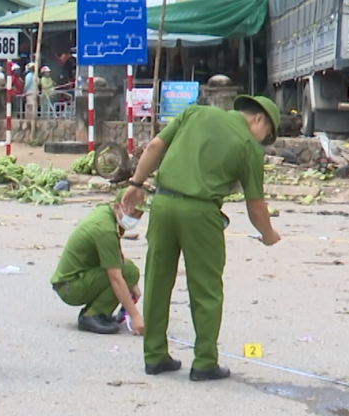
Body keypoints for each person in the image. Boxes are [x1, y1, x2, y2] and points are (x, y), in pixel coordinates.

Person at [120, 95, 283, 382]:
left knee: (157, 280)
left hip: (163, 204)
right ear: (259, 119)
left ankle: (155, 356)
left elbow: (156, 145)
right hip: (201, 214)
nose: (262, 141)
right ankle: (204, 361)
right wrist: (268, 234)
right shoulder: (249, 147)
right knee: (205, 288)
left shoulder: (194, 113)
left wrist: (135, 183)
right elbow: (255, 205)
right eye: (266, 135)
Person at [51, 190, 145, 336]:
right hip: (70, 286)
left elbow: (116, 256)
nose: (135, 218)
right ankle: (92, 315)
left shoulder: (106, 213)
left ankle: (99, 312)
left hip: (75, 279)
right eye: (131, 213)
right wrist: (135, 316)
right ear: (116, 207)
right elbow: (116, 278)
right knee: (127, 272)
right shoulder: (105, 230)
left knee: (129, 271)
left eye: (139, 214)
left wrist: (132, 284)